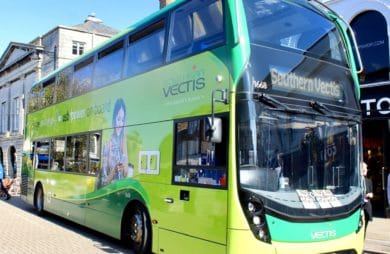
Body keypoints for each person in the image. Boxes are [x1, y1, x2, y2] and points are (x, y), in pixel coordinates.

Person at [99, 98, 129, 187]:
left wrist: (124, 143)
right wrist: (114, 170)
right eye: (118, 119)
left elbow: (125, 173)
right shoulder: (107, 144)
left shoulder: (123, 143)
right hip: (110, 192)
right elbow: (104, 181)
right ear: (114, 119)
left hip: (121, 192)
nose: (120, 123)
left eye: (123, 120)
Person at [361, 161, 373, 236]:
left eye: (366, 168)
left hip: (367, 207)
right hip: (359, 207)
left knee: (365, 228)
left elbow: (371, 193)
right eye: (364, 168)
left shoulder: (369, 181)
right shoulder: (355, 181)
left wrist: (371, 195)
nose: (366, 170)